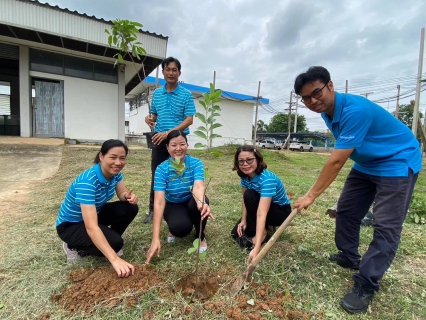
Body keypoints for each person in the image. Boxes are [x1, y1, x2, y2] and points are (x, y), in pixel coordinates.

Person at [293, 66, 421, 314]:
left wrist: (310, 196)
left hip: (397, 160)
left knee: (386, 226)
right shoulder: (326, 112)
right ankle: (350, 256)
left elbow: (337, 161)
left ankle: (366, 283)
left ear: (330, 85)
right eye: (306, 98)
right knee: (347, 211)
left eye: (316, 93)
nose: (312, 101)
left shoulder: (355, 110)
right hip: (368, 164)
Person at [56, 139, 139, 278]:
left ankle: (108, 241)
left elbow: (121, 193)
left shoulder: (115, 173)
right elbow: (91, 227)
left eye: (122, 158)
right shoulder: (87, 182)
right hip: (70, 225)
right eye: (112, 157)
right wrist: (114, 259)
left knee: (130, 208)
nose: (118, 163)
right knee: (115, 244)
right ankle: (72, 245)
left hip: (94, 213)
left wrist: (127, 197)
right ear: (101, 156)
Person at [145, 130, 214, 264]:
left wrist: (201, 202)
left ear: (187, 145)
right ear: (167, 147)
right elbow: (159, 202)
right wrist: (155, 238)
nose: (178, 148)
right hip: (173, 203)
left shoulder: (196, 163)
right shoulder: (162, 169)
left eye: (182, 144)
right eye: (173, 145)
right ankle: (174, 228)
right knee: (181, 229)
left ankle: (200, 236)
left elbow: (198, 186)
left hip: (191, 199)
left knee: (201, 202)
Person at [144, 57, 196, 223]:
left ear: (179, 73)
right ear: (163, 72)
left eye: (174, 70)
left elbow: (189, 120)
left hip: (178, 139)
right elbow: (154, 114)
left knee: (180, 173)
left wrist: (169, 133)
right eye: (168, 69)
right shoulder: (157, 93)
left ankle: (180, 206)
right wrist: (149, 118)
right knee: (157, 173)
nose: (171, 73)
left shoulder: (186, 94)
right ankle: (153, 210)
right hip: (159, 139)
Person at [230, 145, 292, 264]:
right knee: (235, 234)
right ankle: (265, 227)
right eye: (241, 161)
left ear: (257, 159)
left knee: (250, 195)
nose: (245, 164)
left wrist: (257, 247)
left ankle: (264, 233)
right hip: (261, 206)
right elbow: (245, 200)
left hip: (280, 212)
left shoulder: (267, 179)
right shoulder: (245, 177)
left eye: (249, 160)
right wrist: (243, 220)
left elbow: (261, 213)